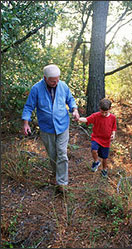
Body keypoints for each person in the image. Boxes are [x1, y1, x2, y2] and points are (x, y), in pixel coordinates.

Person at [22, 64, 80, 193]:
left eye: (57, 79)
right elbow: (28, 107)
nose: (56, 82)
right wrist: (26, 123)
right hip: (47, 128)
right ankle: (56, 174)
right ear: (45, 78)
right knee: (53, 155)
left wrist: (75, 110)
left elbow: (70, 100)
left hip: (62, 125)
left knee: (62, 153)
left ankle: (62, 183)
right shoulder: (36, 89)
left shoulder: (63, 86)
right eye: (53, 80)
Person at [78, 98, 117, 178]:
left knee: (105, 158)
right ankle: (96, 161)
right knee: (94, 150)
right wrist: (78, 118)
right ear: (99, 109)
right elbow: (86, 119)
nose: (103, 114)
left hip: (106, 140)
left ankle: (104, 170)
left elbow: (114, 127)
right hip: (96, 138)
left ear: (110, 109)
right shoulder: (96, 116)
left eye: (106, 112)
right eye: (102, 112)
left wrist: (113, 134)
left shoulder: (113, 117)